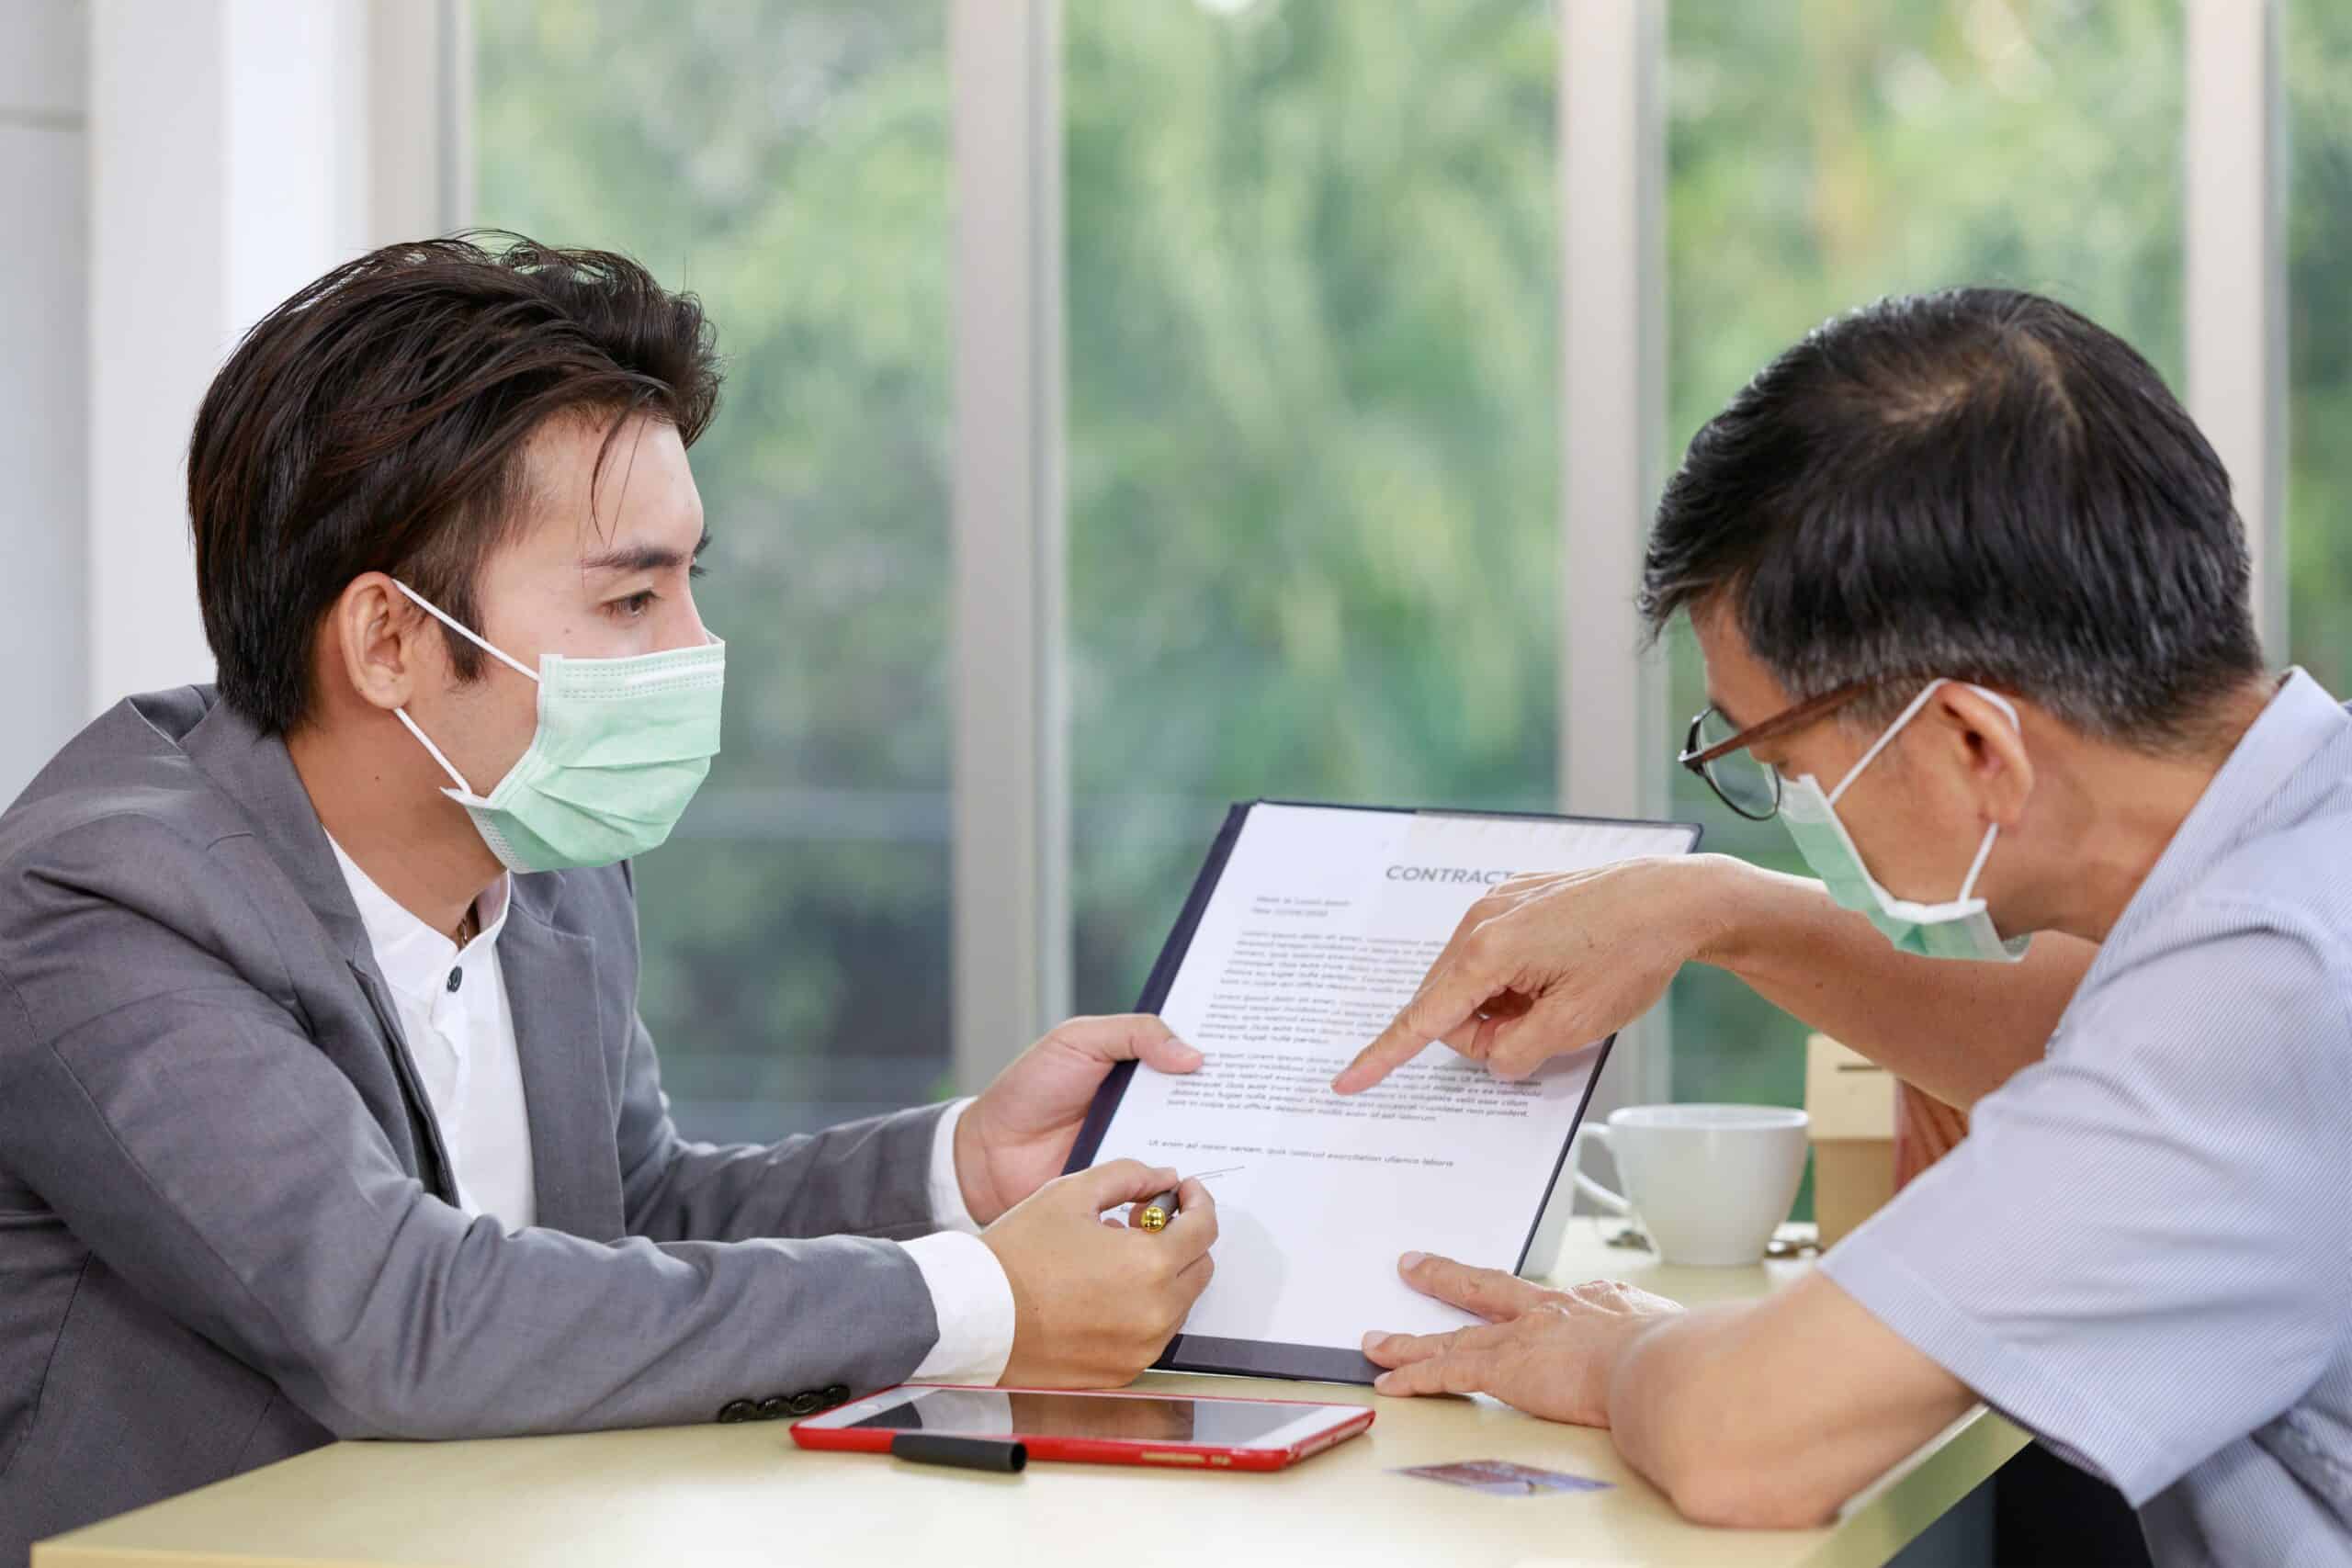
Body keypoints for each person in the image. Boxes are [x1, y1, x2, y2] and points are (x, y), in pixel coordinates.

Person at [0, 237, 1216, 1562]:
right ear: (390, 641)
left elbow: (626, 1224)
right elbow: (401, 1320)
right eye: (633, 595)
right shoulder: (106, 904)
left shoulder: (542, 850)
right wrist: (977, 1298)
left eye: (694, 581)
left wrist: (960, 1167)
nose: (694, 649)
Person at [1333, 289, 2350, 1566]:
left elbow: (1745, 1442)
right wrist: (1715, 911)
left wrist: (1625, 1356)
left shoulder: (2264, 1001)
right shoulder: (2297, 866)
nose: (1789, 810)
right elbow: (2073, 1043)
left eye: (1772, 755)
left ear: (1973, 740)